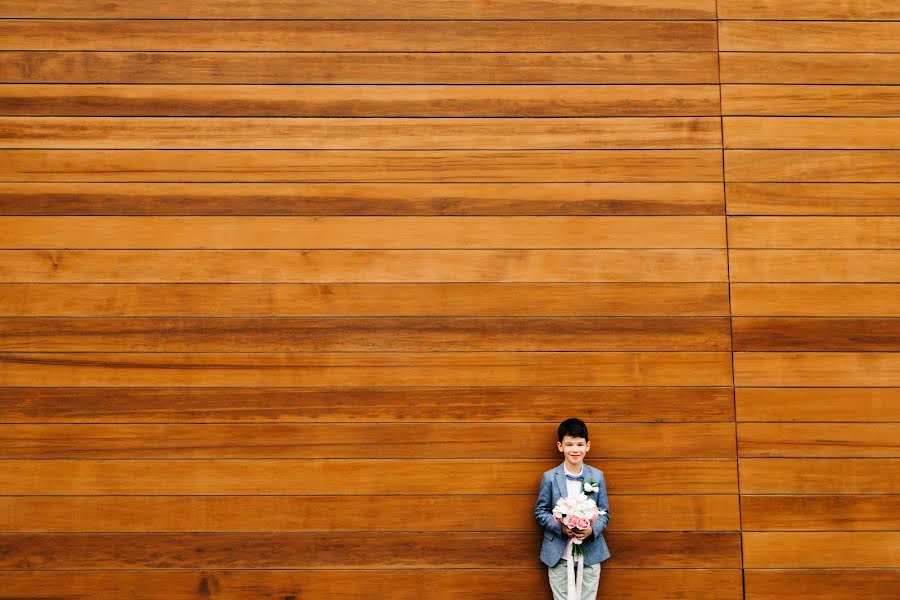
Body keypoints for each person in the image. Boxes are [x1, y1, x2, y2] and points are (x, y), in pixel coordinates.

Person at [534, 418, 611, 600]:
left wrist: (591, 529)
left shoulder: (597, 476)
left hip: (591, 551)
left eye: (579, 444)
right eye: (569, 444)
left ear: (588, 446)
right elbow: (541, 511)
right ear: (560, 446)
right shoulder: (550, 477)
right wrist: (560, 527)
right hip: (558, 553)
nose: (574, 450)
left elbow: (604, 512)